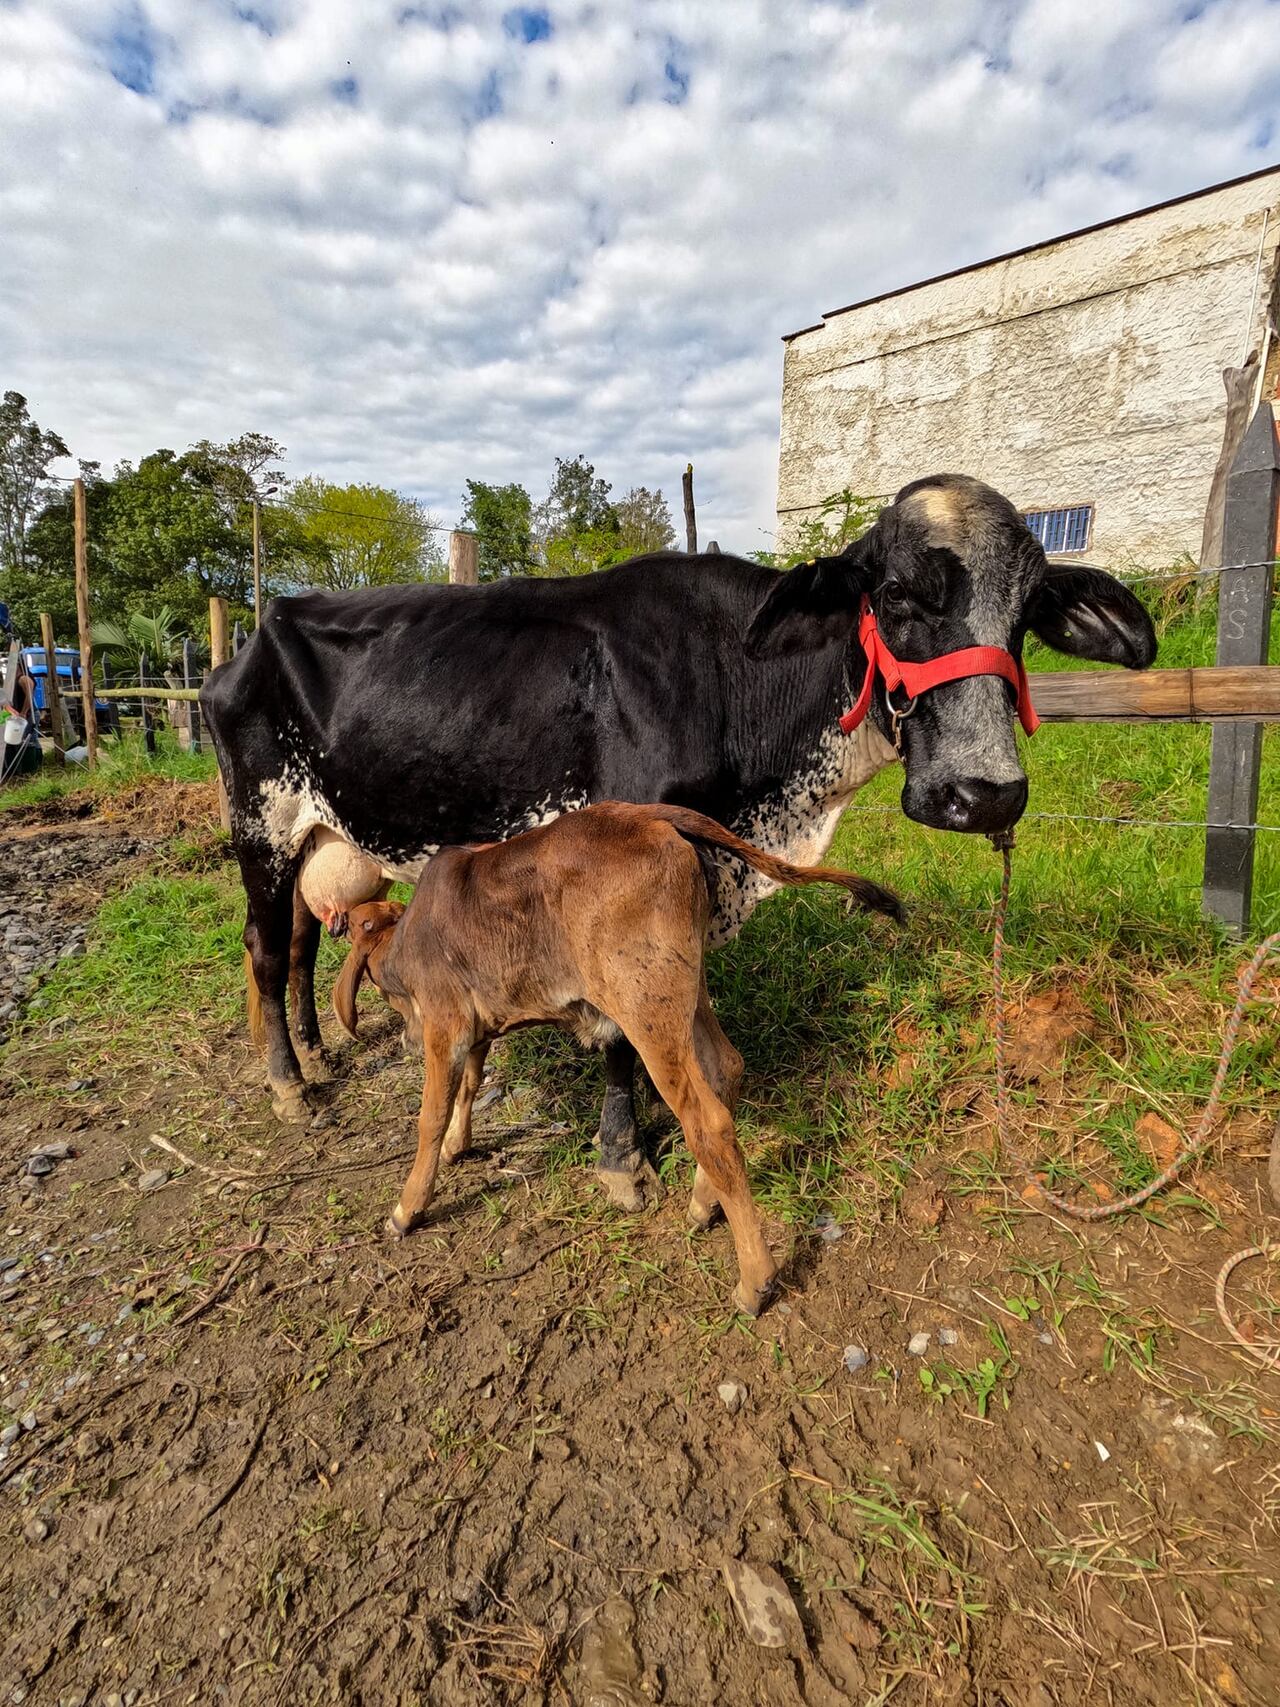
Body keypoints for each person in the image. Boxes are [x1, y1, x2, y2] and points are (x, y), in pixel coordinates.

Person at [2, 650, 38, 782]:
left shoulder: (23, 678)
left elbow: (29, 695)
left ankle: (29, 771)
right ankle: (24, 770)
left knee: (27, 741)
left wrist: (24, 712)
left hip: (27, 714)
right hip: (20, 714)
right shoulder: (15, 679)